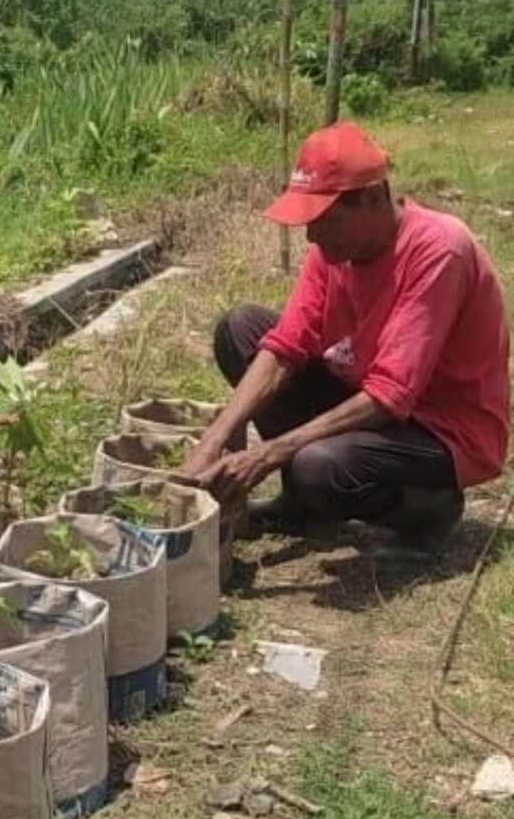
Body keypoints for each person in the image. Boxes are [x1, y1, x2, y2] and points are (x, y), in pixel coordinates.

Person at [178, 121, 509, 559]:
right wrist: (214, 438)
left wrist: (269, 454)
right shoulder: (334, 251)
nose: (312, 238)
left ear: (373, 198)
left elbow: (393, 394)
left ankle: (429, 509)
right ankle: (303, 503)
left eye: (324, 222)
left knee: (320, 466)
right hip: (371, 391)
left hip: (440, 428)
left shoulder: (439, 249)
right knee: (241, 329)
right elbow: (285, 346)